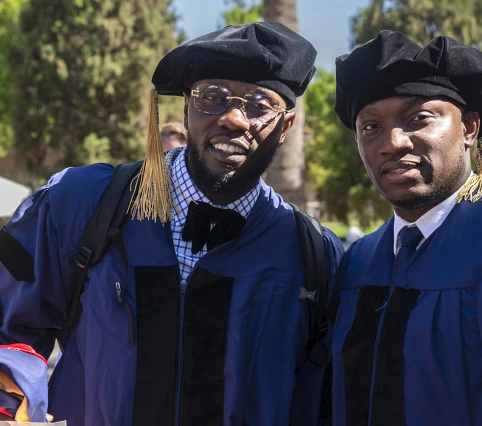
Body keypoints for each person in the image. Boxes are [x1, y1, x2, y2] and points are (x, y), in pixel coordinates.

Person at [0, 22, 343, 425]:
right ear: (186, 108)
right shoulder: (80, 203)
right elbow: (10, 334)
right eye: (213, 97)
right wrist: (15, 414)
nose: (234, 118)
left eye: (259, 104)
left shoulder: (313, 256)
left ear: (285, 127)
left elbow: (321, 399)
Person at [330, 30, 482, 426]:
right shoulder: (359, 259)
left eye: (418, 118)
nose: (393, 142)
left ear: (470, 128)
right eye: (370, 126)